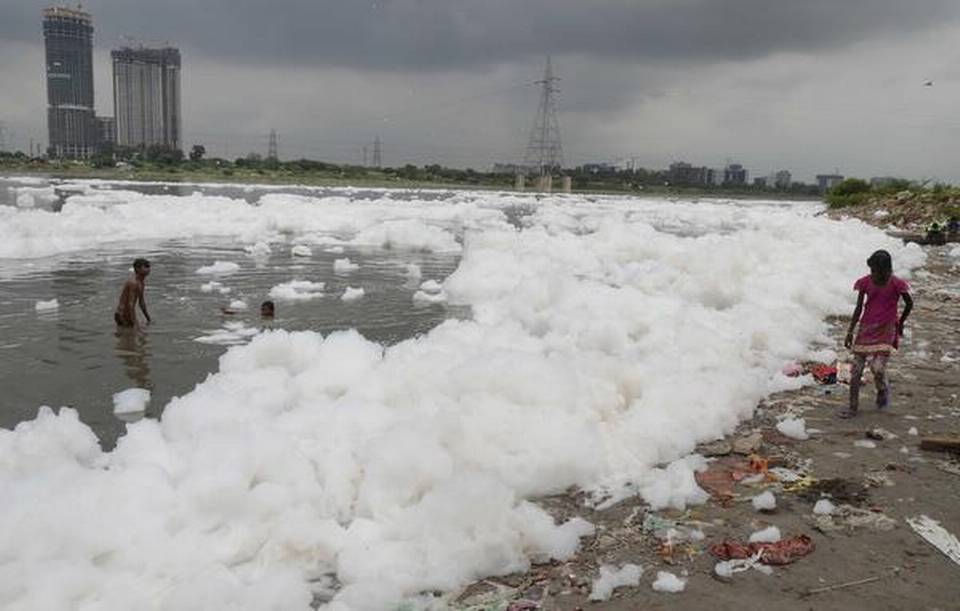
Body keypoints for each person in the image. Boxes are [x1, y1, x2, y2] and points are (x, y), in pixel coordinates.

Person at [840, 250, 913, 418]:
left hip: (886, 329)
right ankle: (853, 407)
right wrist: (850, 331)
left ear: (887, 270)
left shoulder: (896, 284)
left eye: (876, 270)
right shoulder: (865, 283)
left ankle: (882, 389)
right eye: (871, 270)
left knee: (877, 368)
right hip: (866, 328)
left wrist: (900, 323)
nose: (873, 274)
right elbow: (859, 307)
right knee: (856, 370)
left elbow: (909, 304)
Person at [114, 258, 151, 328]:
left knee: (131, 335)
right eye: (146, 266)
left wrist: (148, 318)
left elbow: (142, 303)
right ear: (137, 269)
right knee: (132, 335)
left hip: (127, 314)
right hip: (122, 314)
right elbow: (130, 304)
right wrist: (135, 322)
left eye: (149, 266)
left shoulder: (141, 283)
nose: (148, 269)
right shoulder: (133, 283)